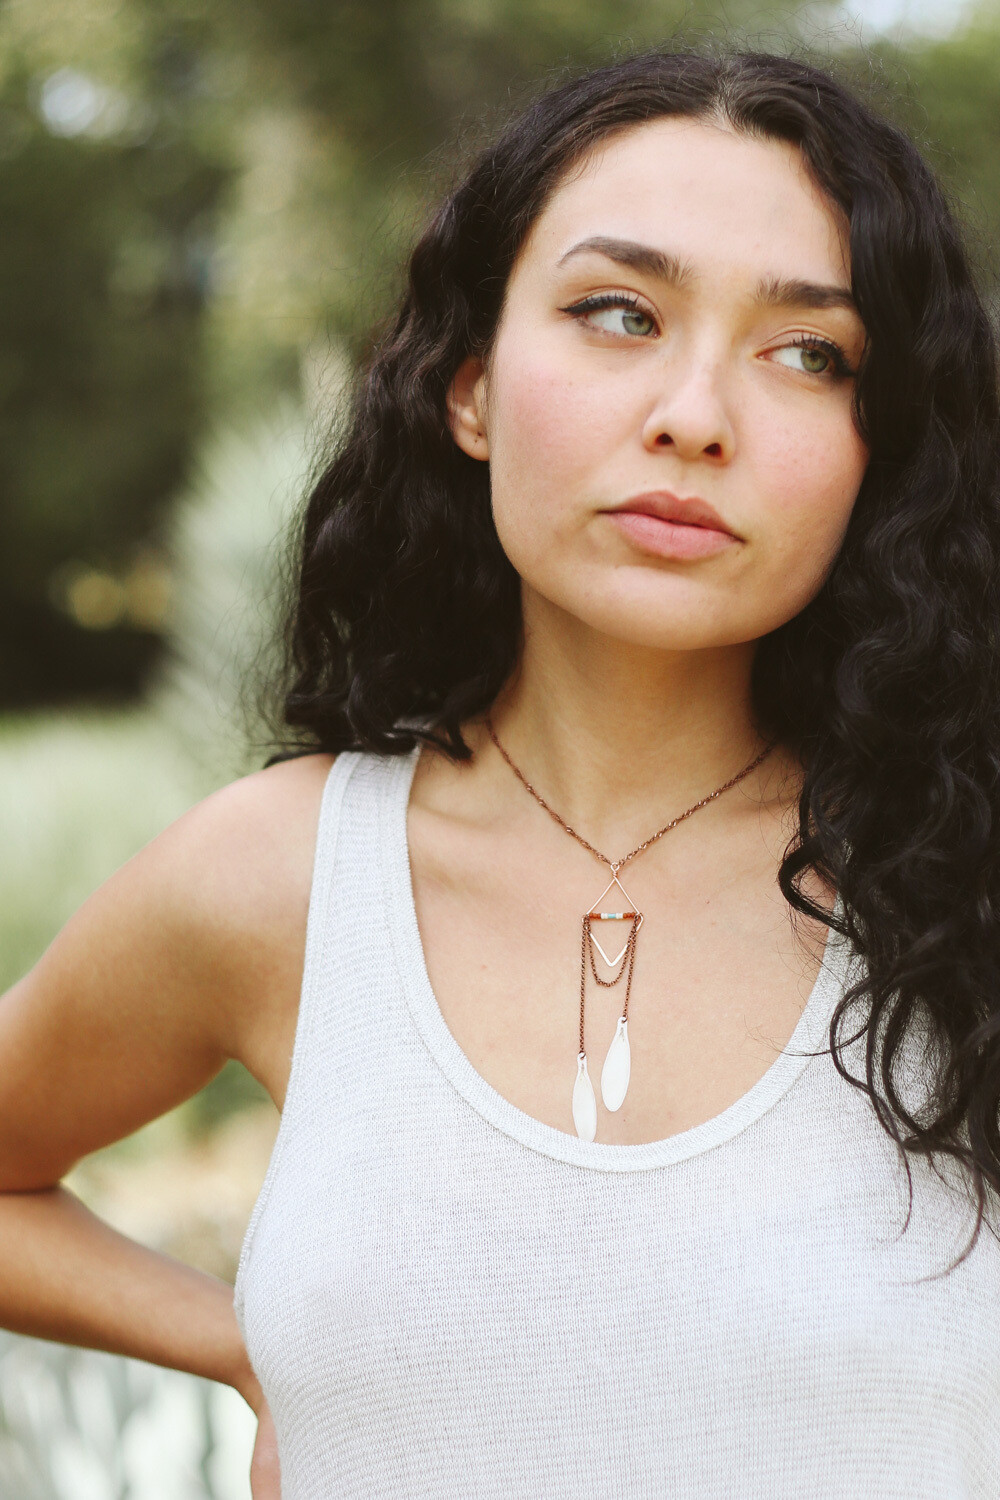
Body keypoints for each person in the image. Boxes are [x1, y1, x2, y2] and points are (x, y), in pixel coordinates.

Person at [2, 40, 999, 1500]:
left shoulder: (965, 881)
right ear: (469, 388)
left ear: (879, 448)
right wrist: (244, 1345)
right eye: (617, 313)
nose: (695, 413)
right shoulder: (280, 877)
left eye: (811, 352)